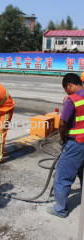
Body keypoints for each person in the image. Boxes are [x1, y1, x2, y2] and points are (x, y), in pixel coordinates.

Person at [47, 73, 84, 218]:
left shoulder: (73, 99)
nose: (67, 93)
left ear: (70, 86)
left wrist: (62, 138)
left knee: (63, 176)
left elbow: (62, 124)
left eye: (66, 90)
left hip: (76, 144)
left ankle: (60, 209)